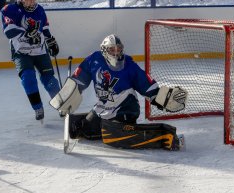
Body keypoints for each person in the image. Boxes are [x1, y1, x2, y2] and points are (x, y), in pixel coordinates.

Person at [50, 34, 187, 150]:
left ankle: (167, 136)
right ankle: (112, 127)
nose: (116, 53)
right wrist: (66, 97)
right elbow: (79, 80)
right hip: (104, 107)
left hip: (126, 108)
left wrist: (163, 99)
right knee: (83, 129)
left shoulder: (129, 64)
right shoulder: (94, 60)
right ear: (104, 50)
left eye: (119, 49)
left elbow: (146, 86)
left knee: (112, 136)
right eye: (112, 49)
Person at [1, 0, 60, 121]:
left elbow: (44, 28)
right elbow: (9, 31)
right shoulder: (9, 9)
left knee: (50, 81)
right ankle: (38, 107)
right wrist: (27, 34)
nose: (31, 1)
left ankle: (61, 104)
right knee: (28, 78)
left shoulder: (40, 9)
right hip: (21, 52)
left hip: (40, 51)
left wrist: (50, 40)